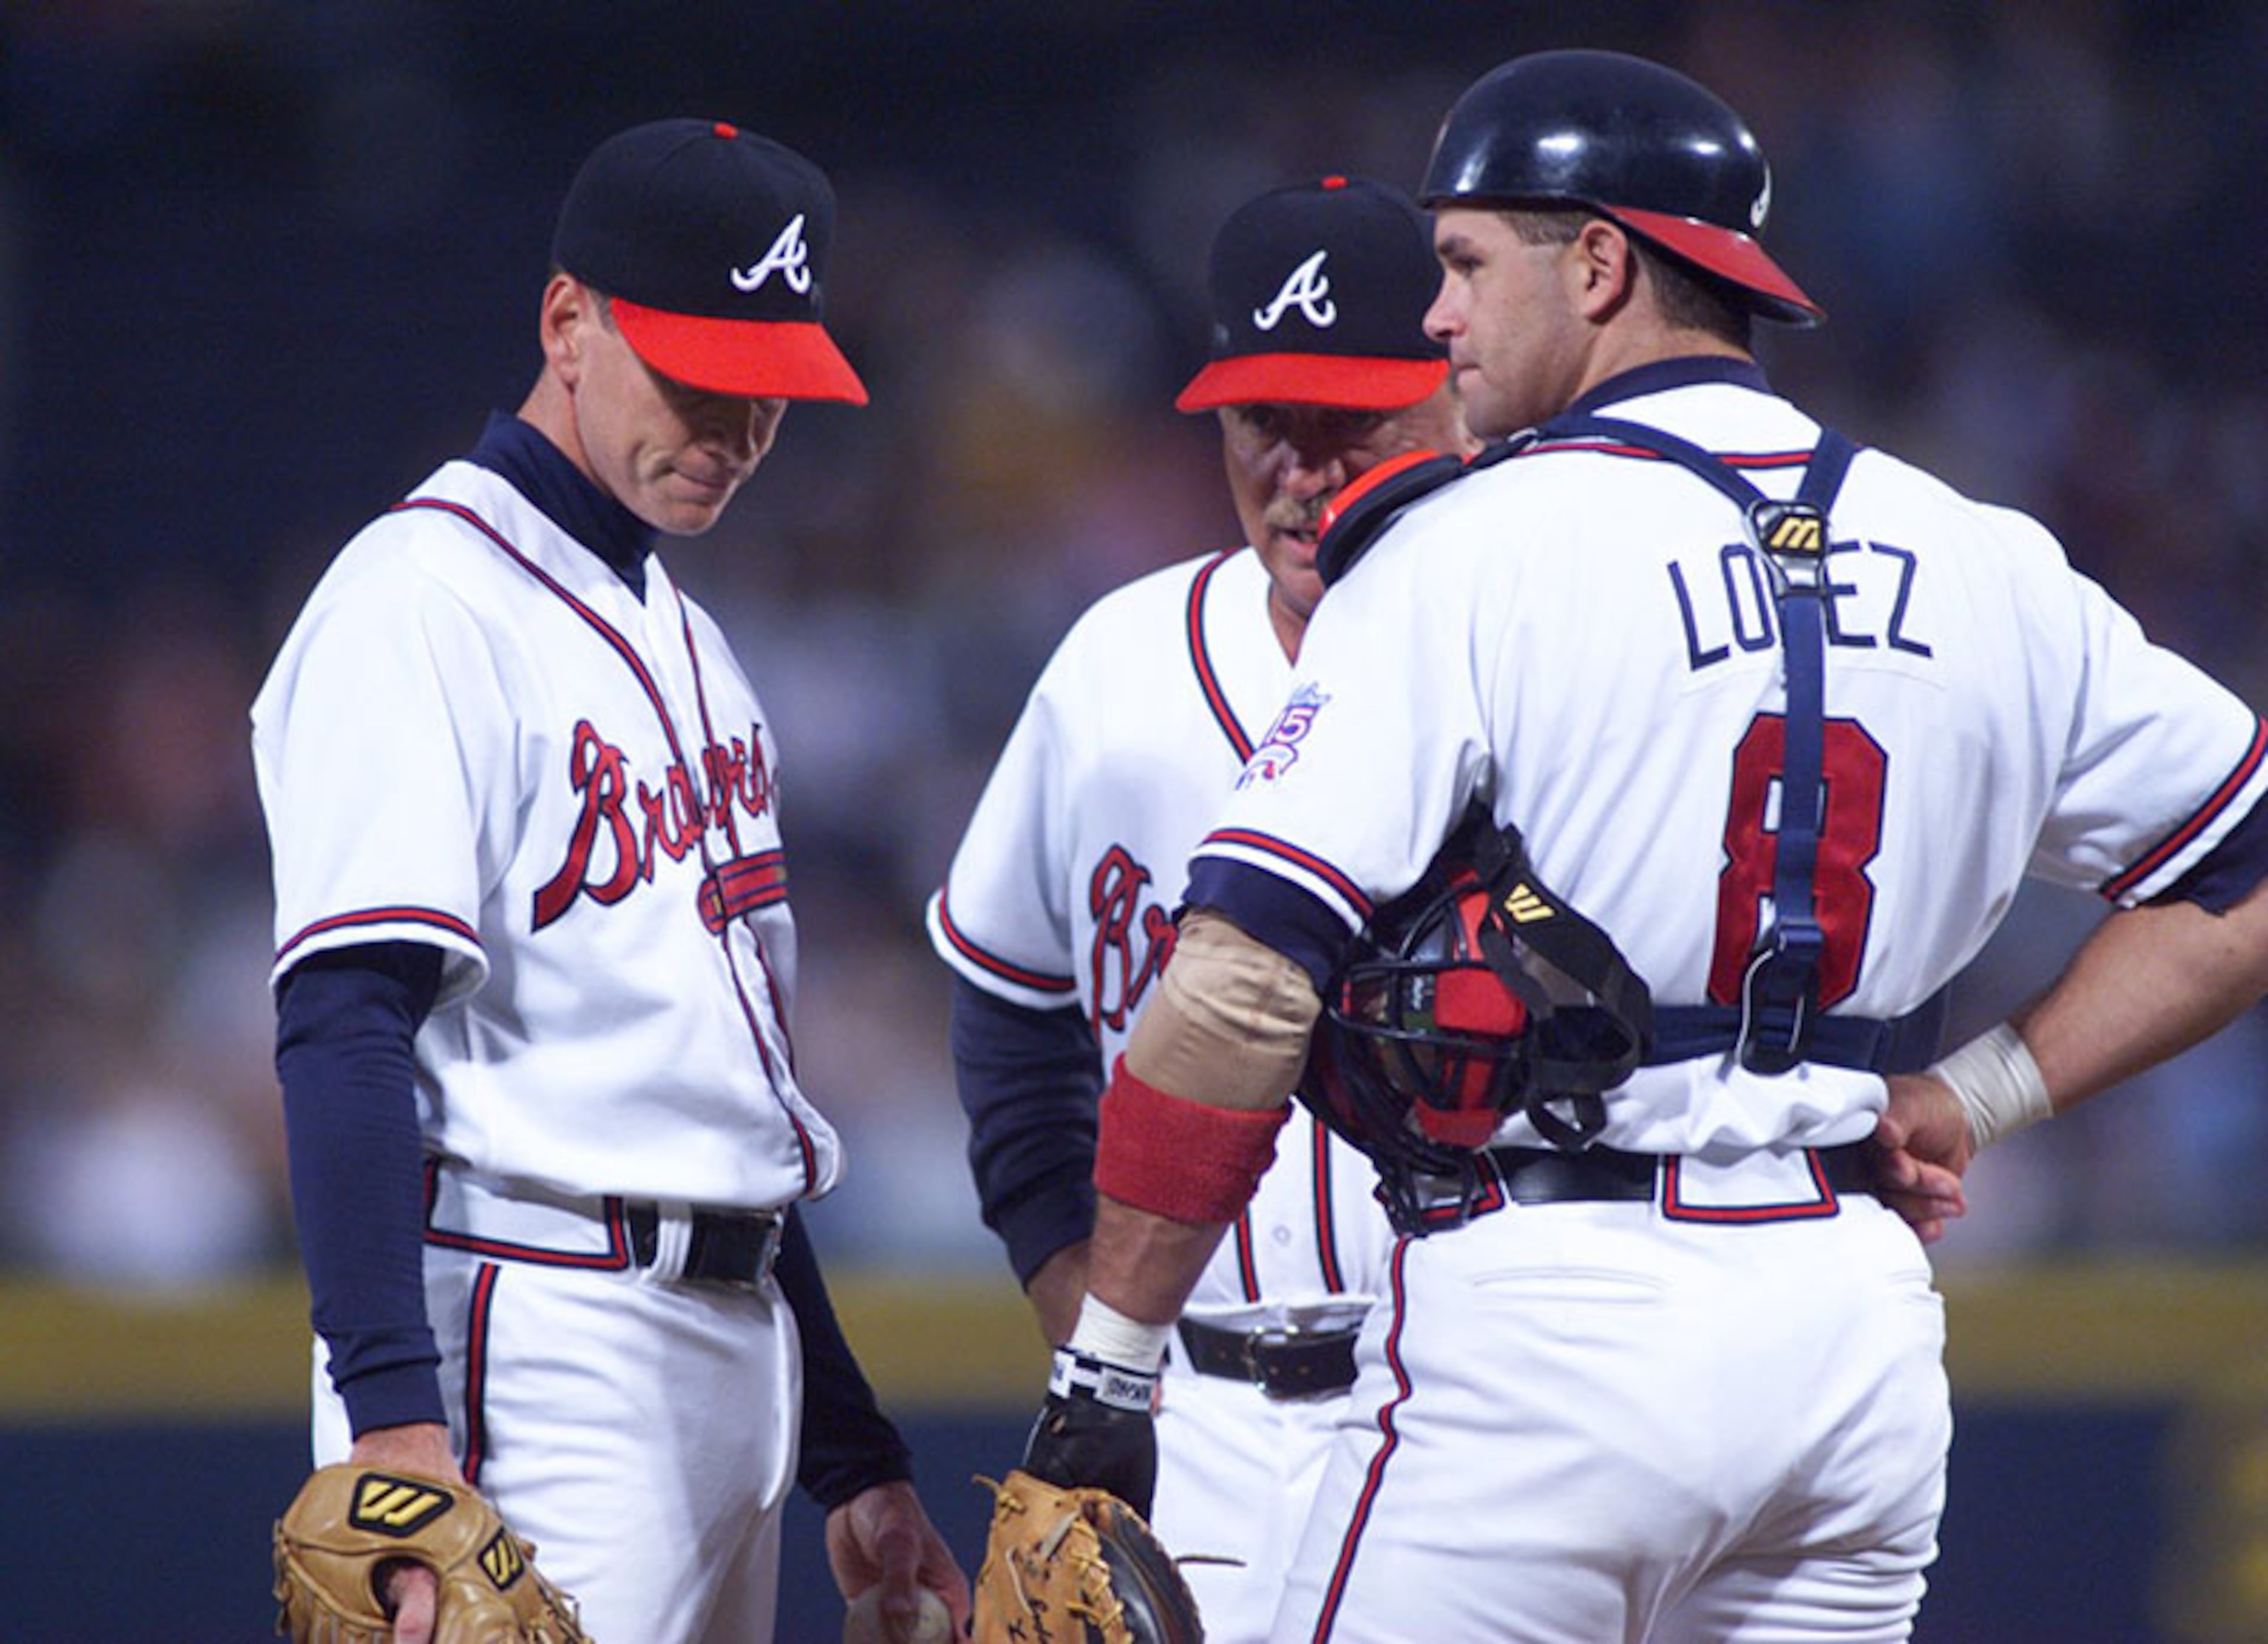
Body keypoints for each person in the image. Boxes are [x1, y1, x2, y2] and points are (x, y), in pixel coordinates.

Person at [1005, 48, 2268, 1643]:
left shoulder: (1473, 548)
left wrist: (1108, 1368)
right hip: (1853, 1339)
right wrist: (1975, 1096)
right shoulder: (1986, 556)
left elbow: (1241, 988)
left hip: (1551, 1318)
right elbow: (2239, 883)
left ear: (1598, 263)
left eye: (1466, 263)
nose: (1439, 315)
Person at [250, 119, 970, 1644]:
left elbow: (734, 1098)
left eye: (767, 386)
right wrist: (395, 1432)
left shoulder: (685, 638)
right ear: (566, 322)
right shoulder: (419, 602)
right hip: (527, 1335)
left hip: (724, 1346)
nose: (735, 424)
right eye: (696, 372)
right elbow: (345, 1025)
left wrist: (852, 1453)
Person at [926, 176, 1474, 1639]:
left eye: (1353, 421)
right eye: (1262, 425)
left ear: (1459, 398)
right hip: (1192, 1426)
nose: (1303, 471)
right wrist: (1086, 1316)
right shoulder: (1115, 665)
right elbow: (1005, 1005)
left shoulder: (1539, 661)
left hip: (1476, 1427)